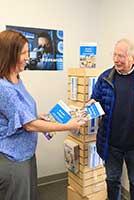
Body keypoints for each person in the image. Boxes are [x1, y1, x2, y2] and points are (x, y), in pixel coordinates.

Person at [0, 30, 85, 200]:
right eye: (23, 53)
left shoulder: (16, 79)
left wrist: (36, 116)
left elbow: (18, 114)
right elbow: (28, 125)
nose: (28, 57)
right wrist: (69, 125)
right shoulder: (4, 87)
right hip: (12, 158)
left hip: (26, 153)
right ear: (10, 54)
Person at [87, 38, 134, 200]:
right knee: (112, 180)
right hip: (110, 143)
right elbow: (95, 99)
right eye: (114, 55)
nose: (116, 59)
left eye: (121, 56)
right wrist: (91, 104)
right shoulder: (105, 77)